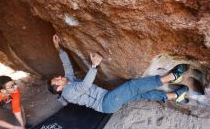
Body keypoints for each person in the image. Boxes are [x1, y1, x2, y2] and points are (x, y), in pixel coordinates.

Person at [47, 34, 189, 114]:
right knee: (132, 86)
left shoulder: (69, 81)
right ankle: (172, 77)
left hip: (107, 98)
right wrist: (94, 65)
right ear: (59, 88)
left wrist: (58, 47)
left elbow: (66, 65)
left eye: (58, 77)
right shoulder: (68, 92)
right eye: (57, 81)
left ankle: (175, 96)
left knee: (139, 94)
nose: (60, 77)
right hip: (106, 103)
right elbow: (84, 86)